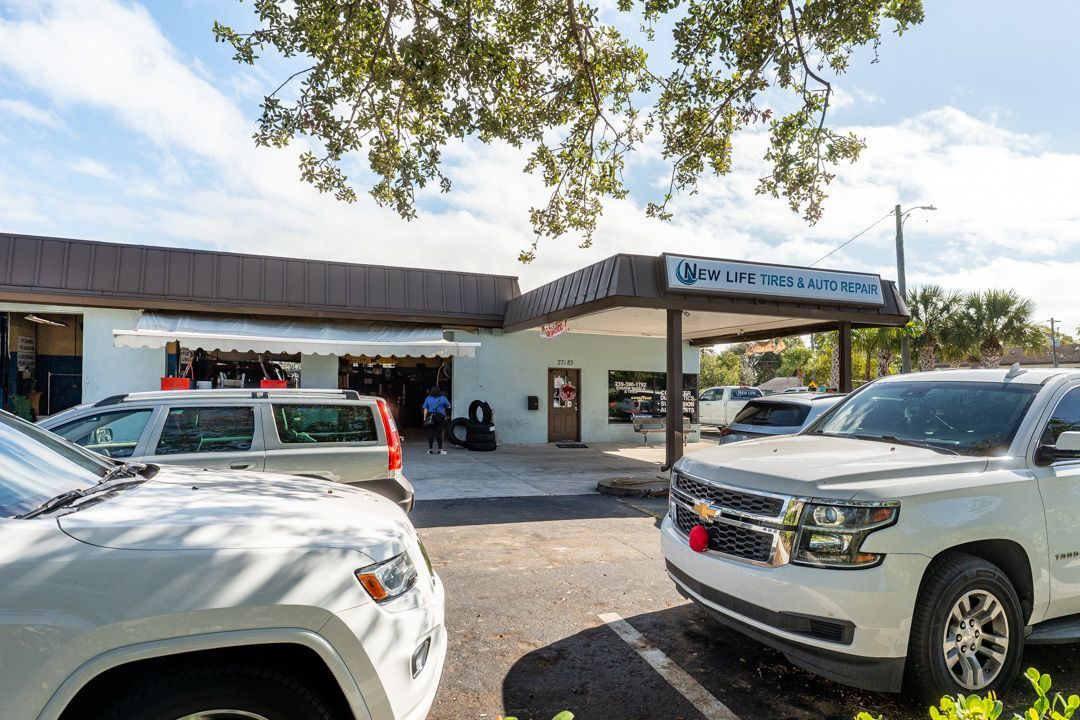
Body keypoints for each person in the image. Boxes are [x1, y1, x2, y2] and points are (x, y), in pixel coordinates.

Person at [422, 386, 451, 455]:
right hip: (440, 416)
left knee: (430, 433)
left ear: (431, 391)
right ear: (439, 391)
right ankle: (440, 450)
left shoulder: (428, 398)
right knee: (439, 433)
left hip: (430, 416)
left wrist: (425, 417)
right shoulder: (443, 398)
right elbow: (449, 406)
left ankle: (430, 450)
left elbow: (425, 408)